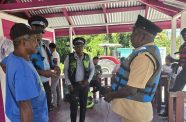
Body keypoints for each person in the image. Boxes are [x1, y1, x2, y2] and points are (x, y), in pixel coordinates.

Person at [103, 15, 162, 122]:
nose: (131, 37)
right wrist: (112, 89)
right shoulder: (143, 52)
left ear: (141, 36)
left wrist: (111, 95)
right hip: (132, 113)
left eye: (133, 33)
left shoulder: (144, 57)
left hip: (136, 115)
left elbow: (131, 89)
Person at [1, 23, 48, 122]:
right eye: (34, 39)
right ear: (23, 42)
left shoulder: (12, 58)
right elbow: (25, 108)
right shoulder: (23, 70)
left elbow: (4, 64)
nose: (37, 43)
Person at [28, 15, 56, 111]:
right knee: (36, 110)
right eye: (39, 30)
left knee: (47, 107)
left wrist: (55, 67)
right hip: (33, 83)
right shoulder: (27, 46)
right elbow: (25, 66)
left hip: (45, 82)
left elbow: (49, 62)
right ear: (33, 28)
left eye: (42, 31)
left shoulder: (44, 46)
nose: (41, 33)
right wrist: (42, 72)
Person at [64, 37, 94, 122]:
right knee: (73, 107)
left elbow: (92, 69)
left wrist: (88, 80)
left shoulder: (88, 57)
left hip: (84, 85)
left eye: (81, 46)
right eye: (77, 46)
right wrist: (69, 84)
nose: (79, 48)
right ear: (74, 48)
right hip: (74, 85)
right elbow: (65, 71)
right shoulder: (69, 57)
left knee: (83, 106)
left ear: (83, 47)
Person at [49, 42, 61, 108]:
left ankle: (54, 104)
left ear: (51, 48)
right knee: (57, 87)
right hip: (56, 70)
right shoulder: (55, 53)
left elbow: (55, 62)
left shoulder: (54, 54)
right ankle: (58, 102)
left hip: (56, 71)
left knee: (53, 88)